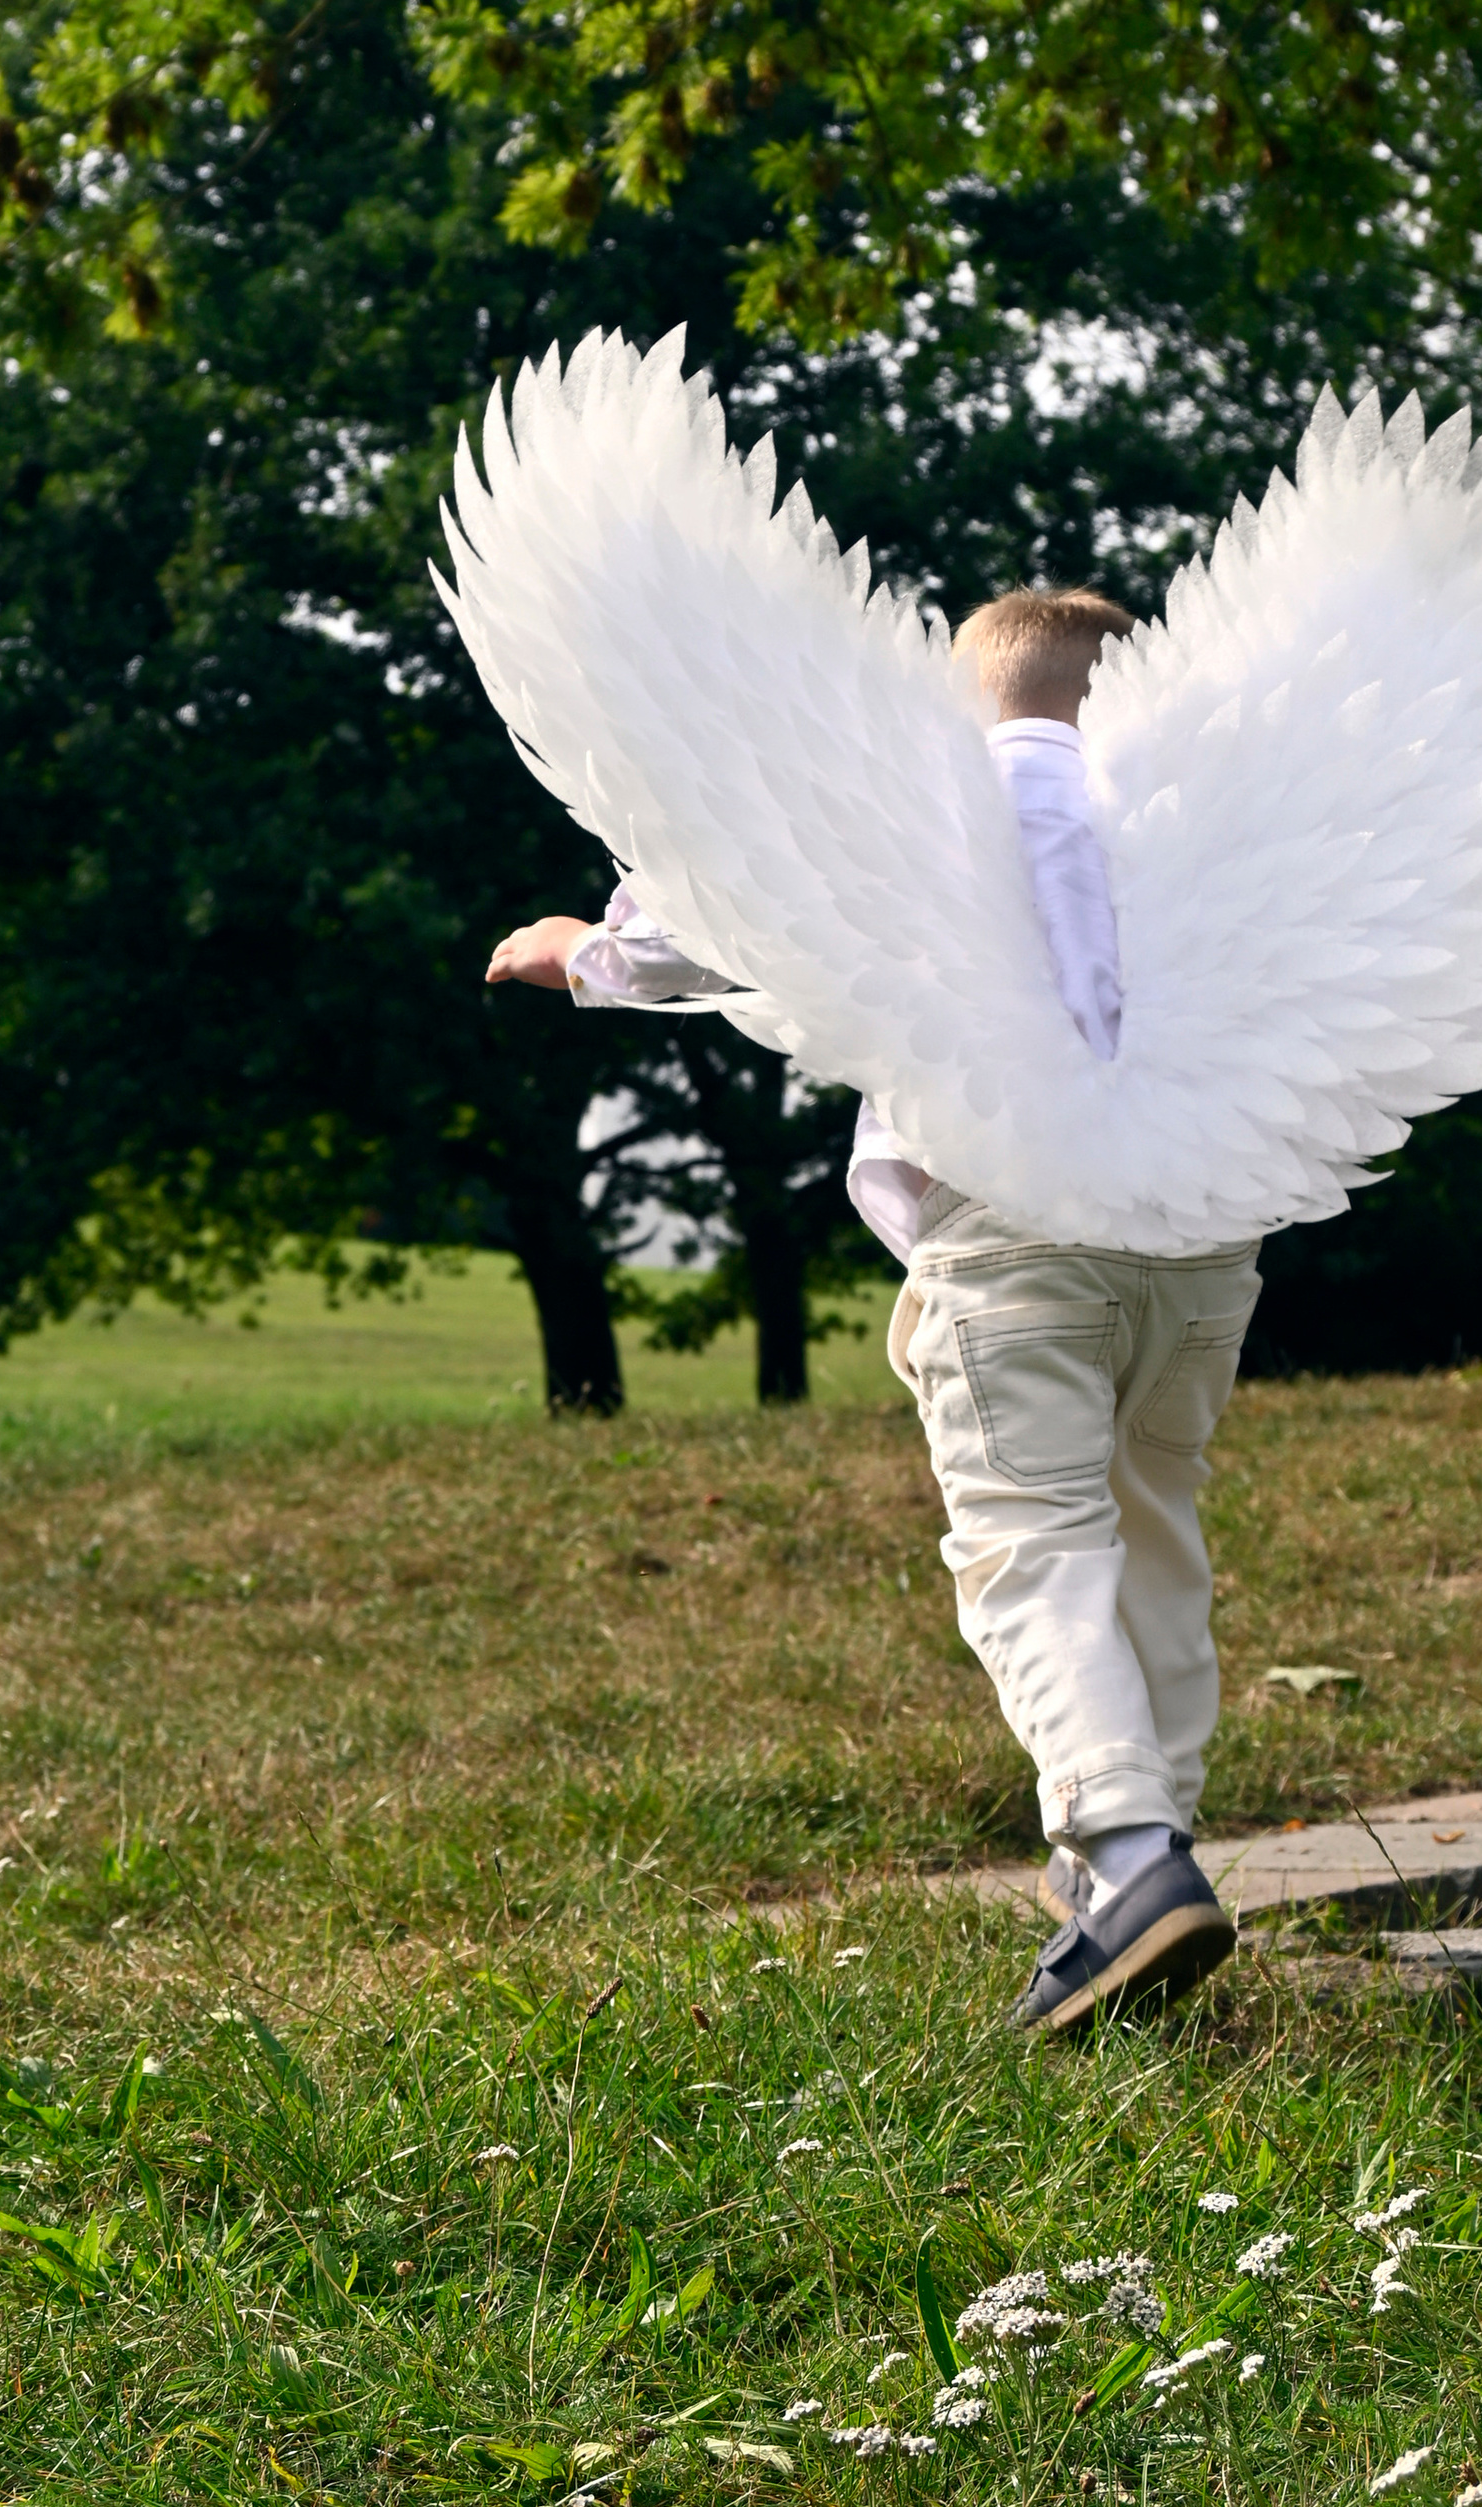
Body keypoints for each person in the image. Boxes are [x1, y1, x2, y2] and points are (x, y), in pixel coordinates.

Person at [488, 585, 1249, 2037]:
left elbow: (730, 907)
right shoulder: (1199, 817)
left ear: (962, 701)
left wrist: (580, 949)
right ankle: (1144, 1872)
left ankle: (1130, 1861)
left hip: (1009, 1231)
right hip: (1201, 1243)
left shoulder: (927, 794)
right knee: (1155, 1530)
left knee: (1032, 1541)